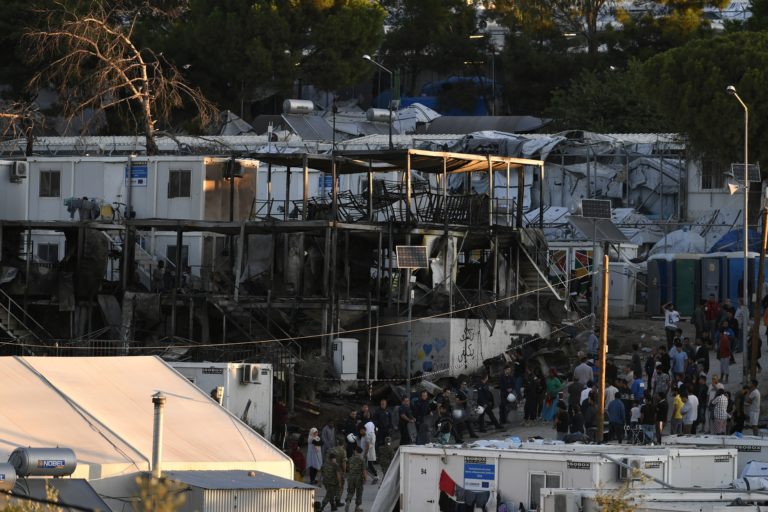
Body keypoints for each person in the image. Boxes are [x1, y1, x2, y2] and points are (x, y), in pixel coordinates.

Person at [344, 446, 365, 512]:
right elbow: (364, 470)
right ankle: (357, 508)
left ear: (355, 451)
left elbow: (347, 468)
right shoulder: (362, 459)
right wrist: (365, 478)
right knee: (359, 492)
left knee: (350, 491)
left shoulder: (350, 459)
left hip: (350, 477)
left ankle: (348, 502)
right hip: (358, 478)